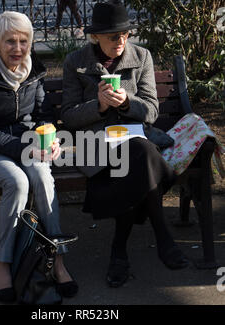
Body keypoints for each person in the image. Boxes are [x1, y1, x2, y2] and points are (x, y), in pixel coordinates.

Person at [61, 1, 189, 288]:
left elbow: (152, 111)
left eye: (124, 35)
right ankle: (162, 237)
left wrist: (129, 102)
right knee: (140, 161)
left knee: (138, 156)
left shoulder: (141, 57)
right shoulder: (75, 62)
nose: (120, 41)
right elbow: (68, 116)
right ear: (95, 37)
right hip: (94, 145)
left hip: (135, 140)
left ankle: (119, 250)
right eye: (112, 37)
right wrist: (100, 106)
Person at [0, 11, 78, 302]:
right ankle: (2, 262)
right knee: (17, 181)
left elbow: (43, 115)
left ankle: (57, 257)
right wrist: (23, 149)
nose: (17, 48)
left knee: (41, 174)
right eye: (10, 41)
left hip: (29, 145)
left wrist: (50, 141)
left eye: (23, 41)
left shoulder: (34, 69)